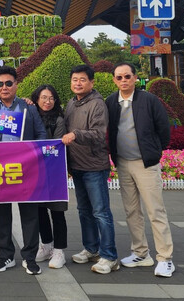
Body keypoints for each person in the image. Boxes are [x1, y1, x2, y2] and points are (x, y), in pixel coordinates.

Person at [106, 63, 175, 278]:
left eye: (127, 76)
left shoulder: (149, 100)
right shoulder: (111, 102)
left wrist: (154, 151)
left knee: (155, 211)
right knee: (132, 211)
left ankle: (165, 258)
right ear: (114, 80)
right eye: (119, 77)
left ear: (135, 78)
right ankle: (140, 253)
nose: (123, 80)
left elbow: (164, 129)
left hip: (145, 164)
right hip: (123, 163)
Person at [0, 65, 47, 275]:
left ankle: (29, 257)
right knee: (2, 214)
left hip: (26, 169)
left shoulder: (28, 108)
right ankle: (5, 255)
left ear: (16, 84)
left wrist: (32, 153)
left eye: (8, 83)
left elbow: (41, 134)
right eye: (0, 84)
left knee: (29, 213)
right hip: (0, 169)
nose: (4, 87)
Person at [62, 65, 119, 274]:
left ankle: (109, 256)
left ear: (91, 82)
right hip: (77, 166)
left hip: (94, 167)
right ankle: (91, 248)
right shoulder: (71, 103)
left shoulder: (97, 104)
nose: (78, 83)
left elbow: (98, 133)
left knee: (101, 212)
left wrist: (76, 134)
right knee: (84, 211)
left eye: (82, 79)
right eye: (74, 79)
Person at [31, 84, 68, 269]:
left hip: (54, 171)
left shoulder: (58, 120)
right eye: (44, 97)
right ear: (36, 99)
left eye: (51, 98)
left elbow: (56, 144)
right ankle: (46, 245)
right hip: (35, 171)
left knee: (57, 211)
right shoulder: (30, 116)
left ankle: (59, 250)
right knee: (39, 210)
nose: (48, 101)